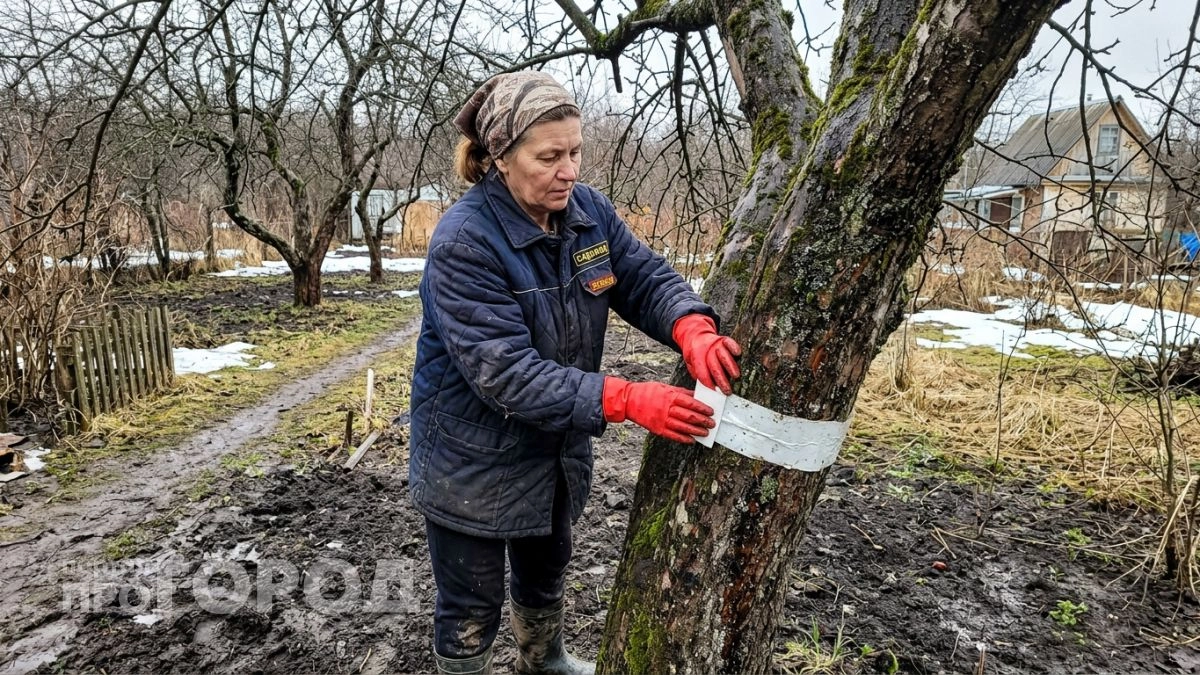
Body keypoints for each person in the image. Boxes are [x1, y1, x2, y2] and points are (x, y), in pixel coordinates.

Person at [408, 71, 742, 675]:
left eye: (576, 152)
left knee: (547, 562)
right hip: (471, 460)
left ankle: (545, 660)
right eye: (550, 157)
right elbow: (506, 373)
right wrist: (627, 398)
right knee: (470, 604)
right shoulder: (465, 242)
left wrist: (690, 323)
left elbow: (641, 276)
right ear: (500, 160)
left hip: (554, 447)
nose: (569, 170)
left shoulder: (585, 212)